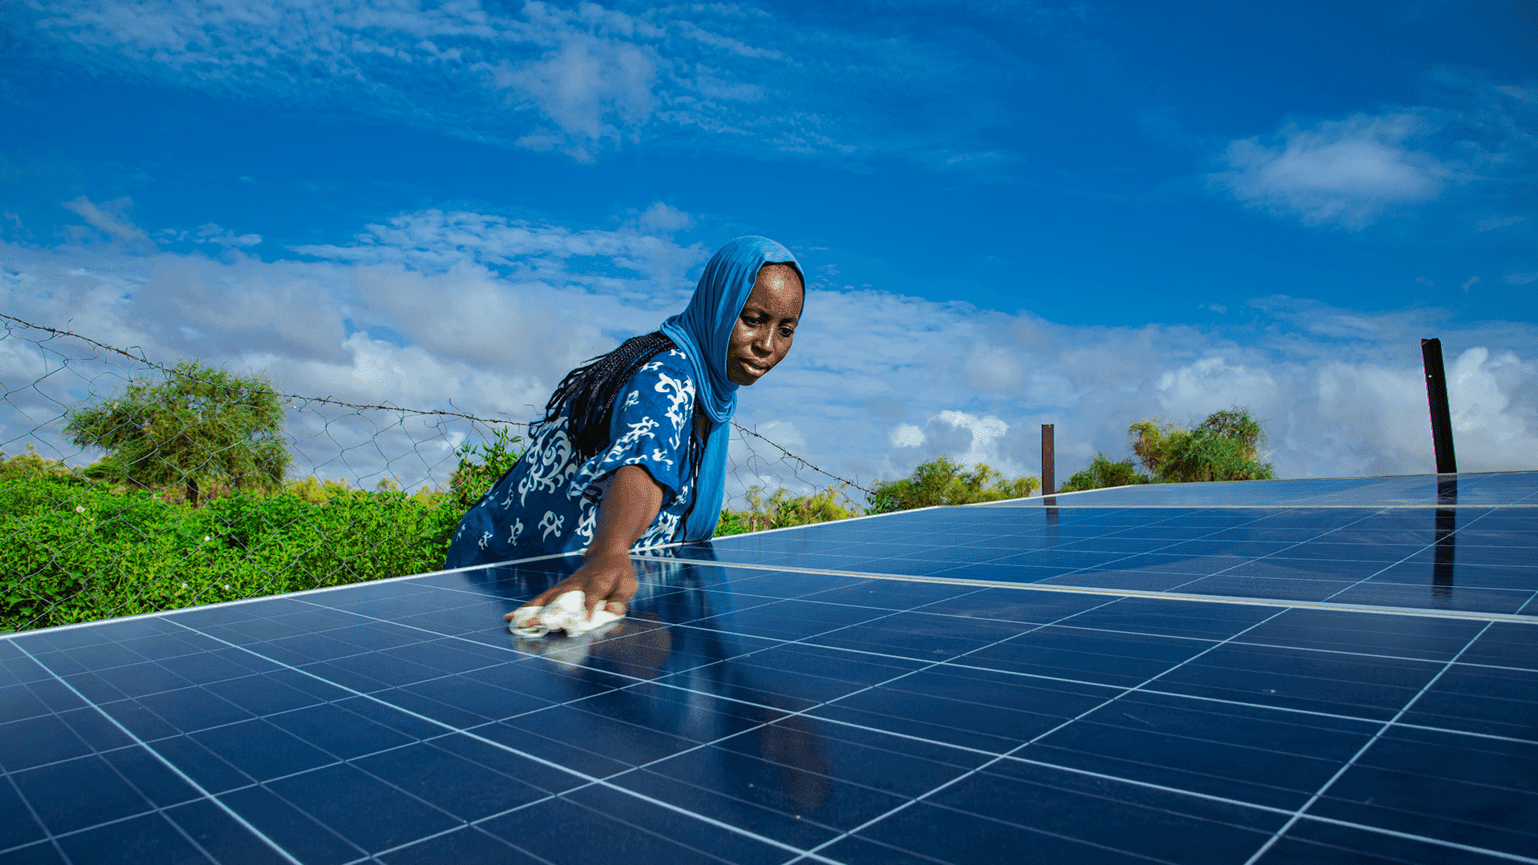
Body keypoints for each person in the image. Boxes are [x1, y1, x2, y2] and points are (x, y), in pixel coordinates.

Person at [442, 235, 805, 628]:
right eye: (752, 320)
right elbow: (644, 463)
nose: (767, 345)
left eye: (785, 330)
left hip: (569, 575)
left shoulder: (712, 391)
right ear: (718, 304)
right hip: (501, 574)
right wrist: (610, 548)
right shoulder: (667, 376)